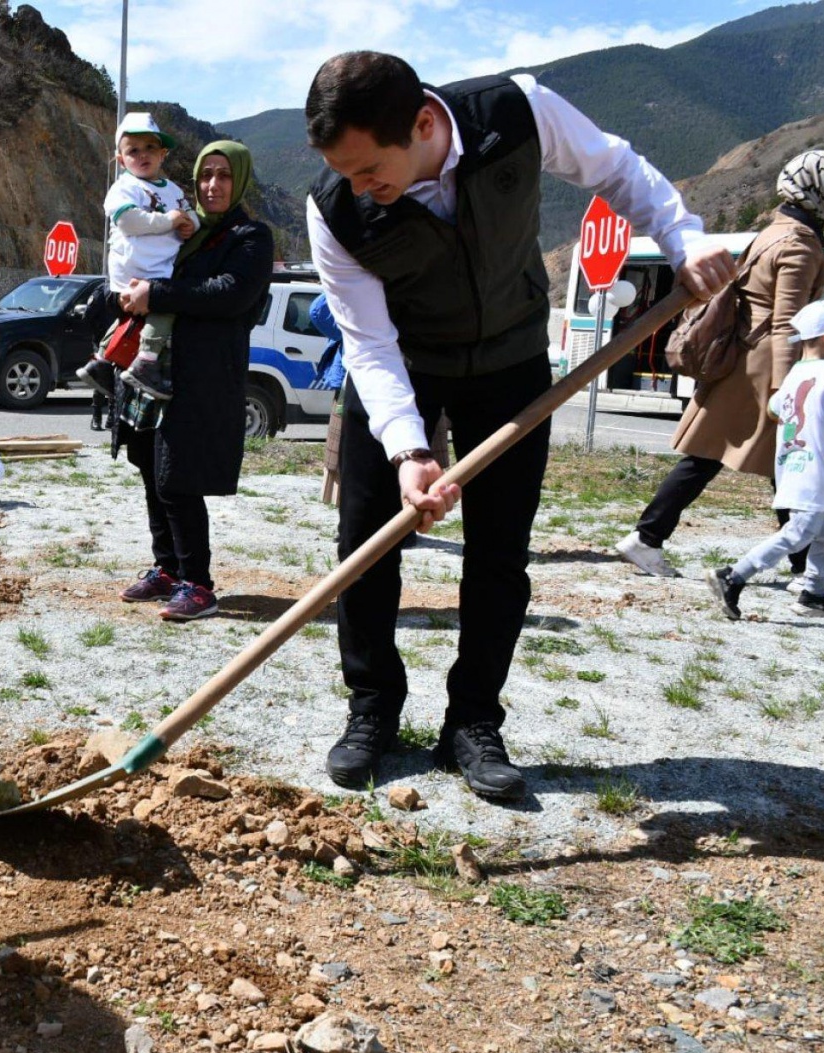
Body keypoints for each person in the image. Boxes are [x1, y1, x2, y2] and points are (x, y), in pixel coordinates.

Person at [305, 52, 735, 798]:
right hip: (403, 364)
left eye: (370, 168)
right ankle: (372, 706)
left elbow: (616, 168)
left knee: (500, 550)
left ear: (424, 123)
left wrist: (685, 240)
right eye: (345, 173)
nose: (360, 188)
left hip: (509, 362)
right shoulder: (335, 211)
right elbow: (368, 345)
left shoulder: (516, 112)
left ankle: (473, 719)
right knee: (365, 543)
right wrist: (410, 451)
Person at [618, 151, 824, 580]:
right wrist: (785, 387)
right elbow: (786, 324)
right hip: (763, 371)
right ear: (821, 191)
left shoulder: (776, 231)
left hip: (743, 361)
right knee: (797, 459)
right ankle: (808, 571)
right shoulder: (800, 244)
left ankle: (648, 538)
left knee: (741, 460)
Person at [115, 140, 273, 622]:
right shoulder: (185, 229)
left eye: (224, 175)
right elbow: (143, 263)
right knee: (149, 464)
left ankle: (197, 584)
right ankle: (166, 568)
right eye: (206, 175)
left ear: (239, 180)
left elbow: (229, 293)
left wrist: (156, 294)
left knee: (177, 477)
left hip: (202, 373)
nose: (213, 185)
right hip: (155, 366)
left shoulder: (250, 237)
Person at [707, 299, 824, 620]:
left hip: (800, 466)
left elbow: (774, 409)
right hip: (819, 472)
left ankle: (814, 593)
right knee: (799, 534)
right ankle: (734, 576)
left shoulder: (796, 373)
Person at [77, 112, 197, 401]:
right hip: (137, 268)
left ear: (163, 154)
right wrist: (170, 221)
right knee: (164, 308)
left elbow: (190, 216)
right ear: (120, 160)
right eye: (133, 151)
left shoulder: (173, 190)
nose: (142, 155)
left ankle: (103, 360)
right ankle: (146, 362)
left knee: (133, 319)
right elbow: (129, 221)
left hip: (155, 265)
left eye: (150, 148)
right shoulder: (124, 187)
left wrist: (190, 225)